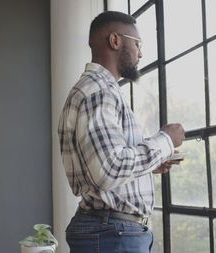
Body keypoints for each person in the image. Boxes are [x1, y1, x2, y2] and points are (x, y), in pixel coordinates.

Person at [58, 10, 186, 253]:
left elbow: (102, 167)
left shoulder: (97, 90)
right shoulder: (98, 91)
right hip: (113, 235)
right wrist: (165, 140)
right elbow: (108, 170)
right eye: (137, 43)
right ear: (115, 40)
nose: (141, 53)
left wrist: (151, 164)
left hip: (111, 232)